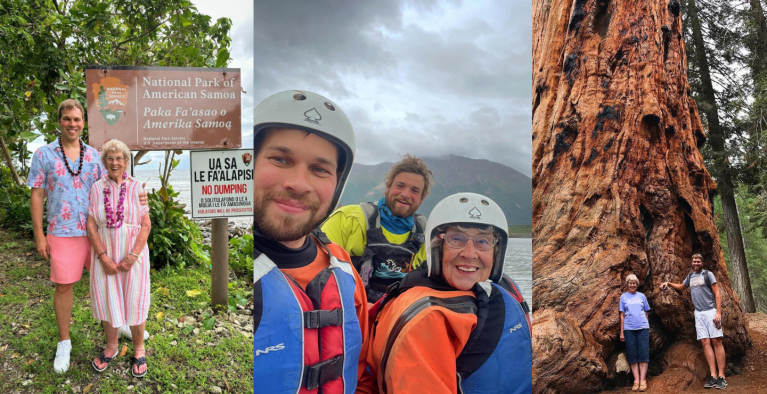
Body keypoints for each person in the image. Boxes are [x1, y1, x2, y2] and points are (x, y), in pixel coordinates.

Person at [252, 90, 368, 393]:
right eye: (280, 159)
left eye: (319, 169)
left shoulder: (342, 265)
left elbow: (363, 367)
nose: (299, 184)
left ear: (337, 184)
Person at [357, 192, 532, 394]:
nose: (469, 253)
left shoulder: (504, 288)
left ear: (496, 251)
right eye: (456, 239)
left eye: (483, 241)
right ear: (437, 248)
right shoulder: (427, 317)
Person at [27, 99, 147, 374]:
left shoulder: (95, 156)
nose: (72, 123)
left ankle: (122, 323)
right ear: (59, 121)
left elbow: (117, 180)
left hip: (100, 234)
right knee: (64, 286)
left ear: (84, 123)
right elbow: (36, 195)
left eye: (77, 119)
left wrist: (140, 194)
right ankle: (64, 341)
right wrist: (39, 235)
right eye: (67, 118)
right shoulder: (44, 155)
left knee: (114, 280)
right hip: (63, 231)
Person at [322, 154, 432, 302]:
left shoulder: (425, 236)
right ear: (387, 188)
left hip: (397, 318)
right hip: (349, 312)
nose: (406, 194)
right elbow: (317, 269)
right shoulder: (348, 219)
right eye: (400, 186)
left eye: (415, 190)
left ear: (422, 199)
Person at [86, 139, 151, 378]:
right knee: (108, 299)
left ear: (126, 161)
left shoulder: (137, 188)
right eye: (110, 158)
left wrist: (133, 256)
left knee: (135, 298)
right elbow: (91, 224)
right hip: (106, 254)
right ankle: (111, 347)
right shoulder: (96, 187)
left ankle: (138, 348)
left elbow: (146, 225)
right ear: (104, 162)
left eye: (119, 158)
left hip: (132, 254)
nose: (115, 162)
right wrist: (102, 256)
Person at [661, 253, 727, 389]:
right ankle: (713, 376)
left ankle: (722, 376)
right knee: (705, 342)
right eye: (694, 261)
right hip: (699, 313)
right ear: (692, 263)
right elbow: (681, 287)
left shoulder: (708, 275)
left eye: (698, 261)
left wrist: (718, 312)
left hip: (710, 311)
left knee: (716, 341)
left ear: (702, 263)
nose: (696, 263)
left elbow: (717, 293)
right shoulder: (691, 276)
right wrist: (668, 283)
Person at [620, 274, 651, 391]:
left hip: (642, 328)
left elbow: (646, 313)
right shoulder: (623, 297)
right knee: (632, 354)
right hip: (629, 329)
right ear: (627, 284)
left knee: (643, 353)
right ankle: (636, 380)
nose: (632, 285)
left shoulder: (642, 296)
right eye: (630, 283)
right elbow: (622, 315)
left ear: (637, 284)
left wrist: (647, 326)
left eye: (634, 283)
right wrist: (622, 332)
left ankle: (643, 380)